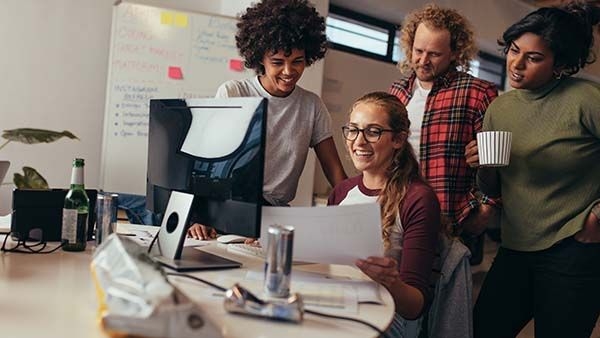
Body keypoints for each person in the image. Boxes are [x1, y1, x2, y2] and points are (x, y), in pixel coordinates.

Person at [466, 3, 600, 337]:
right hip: (515, 247)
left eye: (534, 58)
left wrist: (598, 216)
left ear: (562, 64)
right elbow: (493, 188)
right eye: (514, 50)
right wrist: (483, 165)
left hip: (573, 249)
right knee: (481, 330)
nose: (517, 64)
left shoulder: (586, 99)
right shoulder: (500, 108)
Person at [188, 0, 346, 240]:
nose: (288, 71)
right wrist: (197, 215)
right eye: (277, 62)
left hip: (275, 217)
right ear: (260, 57)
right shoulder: (234, 93)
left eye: (297, 61)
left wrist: (352, 214)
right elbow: (207, 163)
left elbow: (335, 172)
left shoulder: (312, 106)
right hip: (228, 211)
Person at [388, 4, 499, 261]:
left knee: (445, 298)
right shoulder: (397, 92)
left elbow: (499, 160)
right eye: (418, 51)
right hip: (399, 213)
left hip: (452, 219)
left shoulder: (478, 93)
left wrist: (486, 209)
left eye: (434, 54)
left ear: (455, 52)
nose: (423, 61)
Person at [328, 92, 440, 337]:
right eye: (353, 130)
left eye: (373, 132)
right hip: (340, 304)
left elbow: (414, 307)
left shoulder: (417, 198)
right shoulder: (342, 191)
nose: (358, 141)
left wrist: (389, 281)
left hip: (387, 317)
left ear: (398, 140)